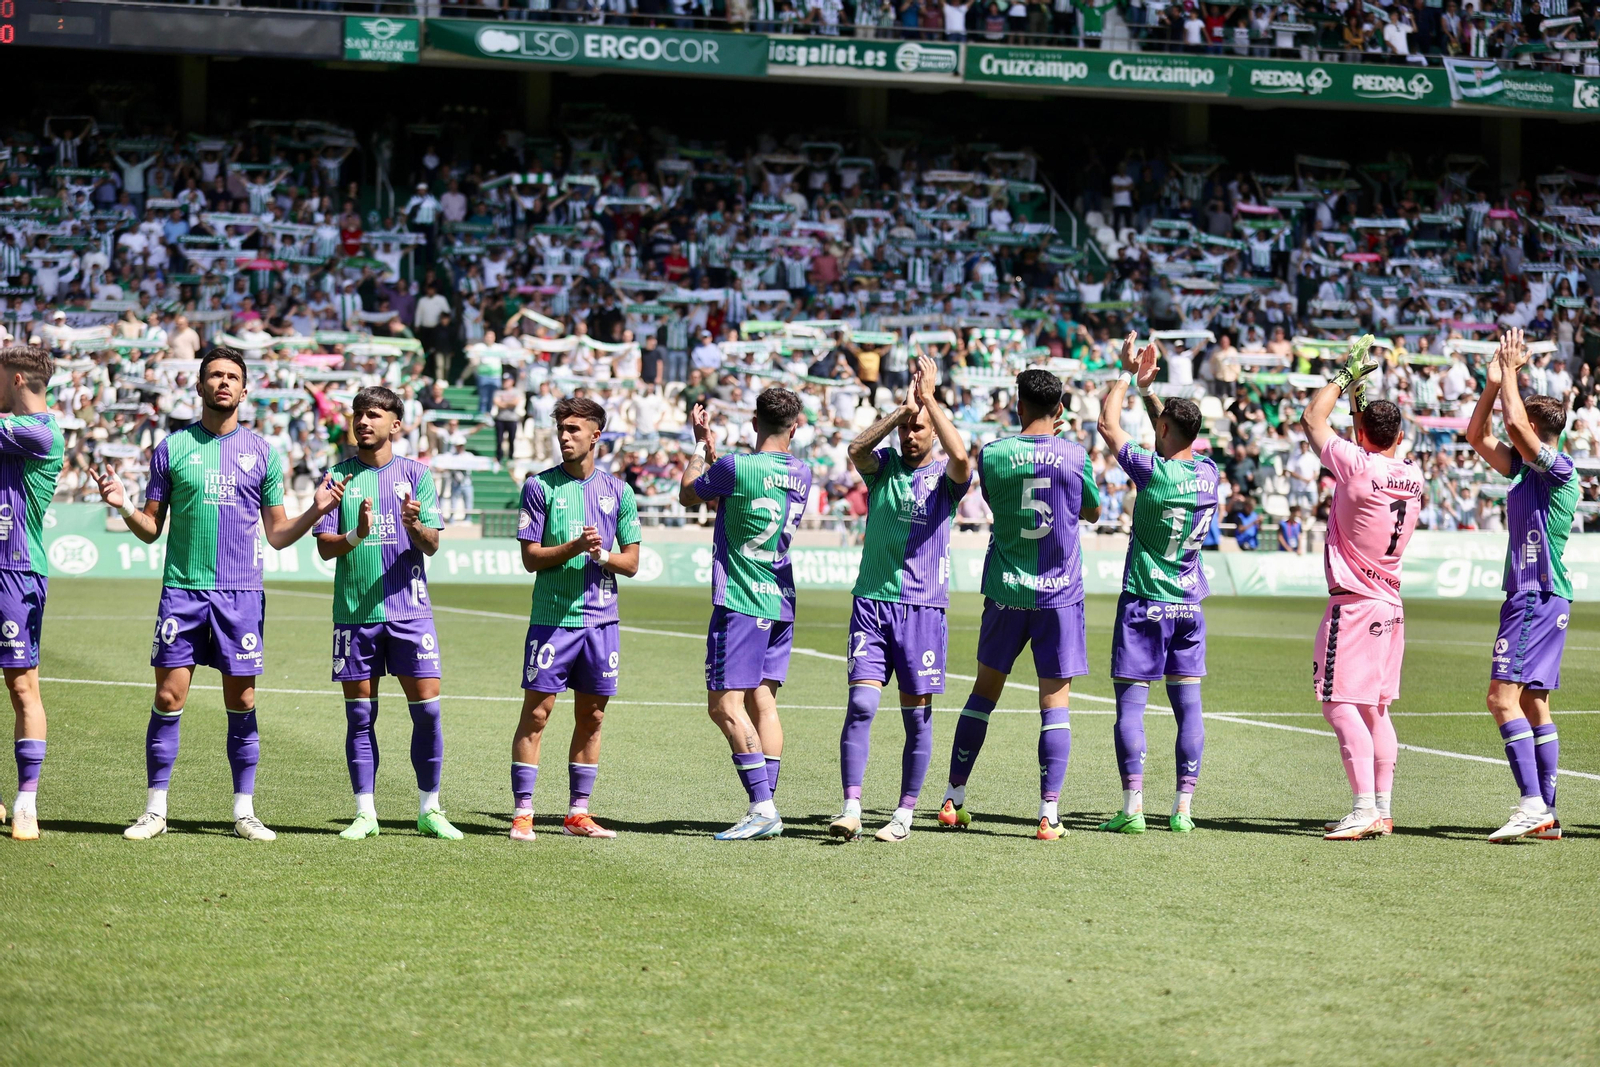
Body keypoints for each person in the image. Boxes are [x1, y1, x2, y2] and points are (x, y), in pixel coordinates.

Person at [91, 348, 350, 842]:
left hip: (241, 594)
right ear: (199, 386)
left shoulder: (264, 452)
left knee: (243, 699)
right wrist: (123, 506)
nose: (223, 383)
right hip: (183, 591)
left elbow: (277, 535)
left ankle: (244, 811)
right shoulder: (172, 448)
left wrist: (317, 511)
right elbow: (151, 529)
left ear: (245, 390)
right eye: (215, 375)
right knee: (168, 696)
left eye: (232, 376)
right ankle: (155, 809)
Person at [936, 368, 1101, 840]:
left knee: (983, 692)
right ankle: (1049, 814)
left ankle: (952, 798)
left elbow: (996, 501)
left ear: (1018, 405)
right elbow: (1091, 512)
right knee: (1055, 703)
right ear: (1060, 409)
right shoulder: (1076, 455)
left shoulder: (992, 454)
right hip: (1059, 596)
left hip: (1006, 590)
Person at [829, 356, 971, 843]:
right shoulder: (884, 467)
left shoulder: (947, 481)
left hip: (922, 609)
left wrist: (929, 400)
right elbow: (855, 448)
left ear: (933, 433)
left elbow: (962, 458)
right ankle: (851, 808)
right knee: (861, 704)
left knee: (917, 716)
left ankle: (904, 814)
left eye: (919, 428)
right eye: (907, 429)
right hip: (871, 604)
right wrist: (902, 410)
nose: (911, 435)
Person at [313, 386, 460, 842]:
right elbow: (324, 548)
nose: (363, 421)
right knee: (360, 716)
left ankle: (430, 809)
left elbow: (432, 544)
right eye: (359, 414)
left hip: (410, 614)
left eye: (374, 414)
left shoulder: (417, 474)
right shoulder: (336, 477)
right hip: (354, 614)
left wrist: (413, 524)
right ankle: (365, 813)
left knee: (428, 714)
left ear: (395, 425)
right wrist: (357, 533)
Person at [1298, 336, 1423, 842]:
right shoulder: (1412, 475)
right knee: (1375, 709)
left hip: (1353, 604)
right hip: (1390, 604)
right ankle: (1383, 809)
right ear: (1400, 436)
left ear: (1363, 436)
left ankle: (1364, 807)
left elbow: (1312, 418)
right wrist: (1361, 405)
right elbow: (1367, 446)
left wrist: (1346, 378)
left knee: (1337, 703)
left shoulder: (1356, 465)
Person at [1096, 335, 1218, 835]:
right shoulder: (1209, 473)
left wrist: (1128, 375)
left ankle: (1133, 808)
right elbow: (1172, 437)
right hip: (1189, 607)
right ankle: (1183, 810)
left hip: (1145, 602)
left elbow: (1107, 424)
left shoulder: (1151, 472)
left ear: (1163, 428)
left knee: (1131, 707)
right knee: (1189, 710)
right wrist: (1151, 394)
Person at [678, 387, 812, 841]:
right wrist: (716, 457)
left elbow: (688, 494)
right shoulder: (803, 472)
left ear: (755, 422)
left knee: (725, 706)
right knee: (763, 703)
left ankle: (763, 807)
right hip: (781, 599)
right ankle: (766, 805)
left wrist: (700, 448)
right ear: (795, 426)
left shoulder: (736, 466)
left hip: (741, 598)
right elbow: (743, 484)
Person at [511, 397, 642, 842]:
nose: (565, 437)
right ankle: (523, 812)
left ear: (595, 436)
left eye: (573, 430)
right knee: (537, 714)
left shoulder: (619, 492)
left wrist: (600, 554)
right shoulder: (540, 487)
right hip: (553, 620)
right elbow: (531, 558)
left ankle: (577, 813)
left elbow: (631, 563)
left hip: (602, 623)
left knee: (593, 717)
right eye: (561, 430)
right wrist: (573, 547)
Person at [1464, 328, 1574, 842]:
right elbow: (1477, 435)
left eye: (1522, 426)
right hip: (1544, 596)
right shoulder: (1526, 471)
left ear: (1534, 429)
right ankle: (1546, 814)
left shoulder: (1559, 469)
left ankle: (1531, 804)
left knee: (1500, 699)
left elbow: (1510, 423)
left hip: (1535, 593)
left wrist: (1511, 369)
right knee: (1533, 703)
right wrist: (1493, 383)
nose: (1514, 431)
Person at [0, 346, 64, 841]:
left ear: (18, 379)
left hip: (16, 572)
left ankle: (26, 803)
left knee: (23, 689)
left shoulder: (42, 432)